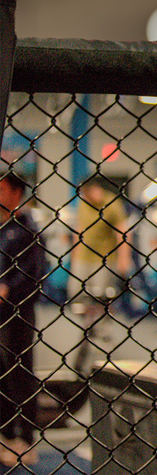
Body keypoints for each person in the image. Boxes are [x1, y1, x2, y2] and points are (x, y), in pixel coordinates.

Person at [0, 171, 45, 466]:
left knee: (20, 371)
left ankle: (25, 437)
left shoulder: (27, 230)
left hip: (18, 313)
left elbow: (33, 274)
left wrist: (8, 288)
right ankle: (5, 433)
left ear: (15, 192)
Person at [69, 177, 130, 333]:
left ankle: (102, 328)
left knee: (100, 295)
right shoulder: (84, 204)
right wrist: (74, 255)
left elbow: (122, 233)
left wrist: (124, 259)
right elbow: (79, 229)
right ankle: (87, 326)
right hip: (84, 256)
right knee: (76, 292)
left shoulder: (112, 204)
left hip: (104, 259)